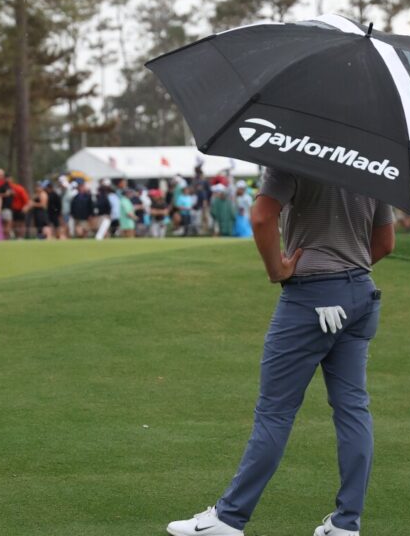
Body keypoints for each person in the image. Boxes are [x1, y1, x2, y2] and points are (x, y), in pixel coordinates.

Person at [167, 167, 394, 536]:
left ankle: (229, 518)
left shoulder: (290, 154)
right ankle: (346, 523)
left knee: (275, 411)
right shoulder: (371, 161)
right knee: (353, 408)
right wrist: (345, 270)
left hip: (311, 297)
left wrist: (278, 269)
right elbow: (385, 243)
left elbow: (261, 216)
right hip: (361, 296)